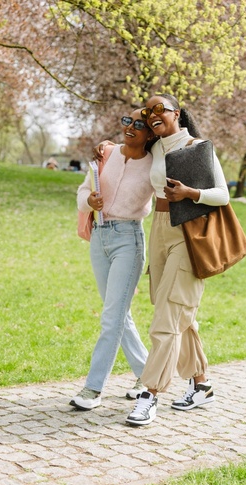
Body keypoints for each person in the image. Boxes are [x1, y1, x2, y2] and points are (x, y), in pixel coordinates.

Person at [95, 94, 229, 426]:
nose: (153, 115)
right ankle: (201, 384)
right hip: (158, 229)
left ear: (176, 114)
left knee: (168, 314)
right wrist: (107, 145)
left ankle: (150, 394)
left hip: (188, 231)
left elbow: (223, 194)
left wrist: (191, 194)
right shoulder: (155, 148)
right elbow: (130, 147)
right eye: (147, 112)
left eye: (159, 109)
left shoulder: (199, 147)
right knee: (175, 308)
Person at [70, 109, 155, 411]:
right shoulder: (107, 153)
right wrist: (89, 200)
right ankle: (147, 375)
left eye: (140, 124)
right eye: (126, 121)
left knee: (111, 317)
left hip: (129, 242)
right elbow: (83, 190)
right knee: (118, 314)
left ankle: (94, 388)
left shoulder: (155, 164)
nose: (131, 127)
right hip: (100, 238)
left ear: (150, 133)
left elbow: (163, 205)